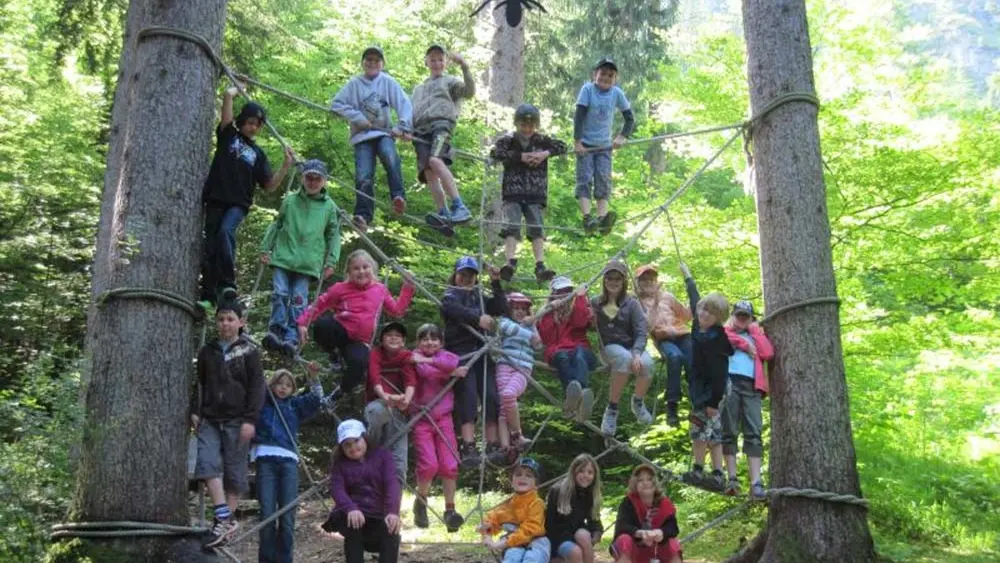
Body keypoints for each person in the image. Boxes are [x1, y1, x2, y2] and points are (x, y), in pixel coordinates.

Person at [200, 85, 294, 306]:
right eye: (250, 122)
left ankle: (228, 283)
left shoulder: (258, 154)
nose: (253, 127)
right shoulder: (228, 135)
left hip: (237, 204)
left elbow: (269, 185)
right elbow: (227, 106)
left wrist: (286, 165)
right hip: (215, 199)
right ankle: (208, 296)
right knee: (211, 246)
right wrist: (234, 91)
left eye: (257, 125)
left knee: (225, 232)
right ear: (242, 121)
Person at [190, 300, 265, 548]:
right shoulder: (207, 351)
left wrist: (250, 420)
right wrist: (195, 410)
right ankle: (224, 516)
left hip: (237, 420)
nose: (225, 323)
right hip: (210, 418)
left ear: (241, 323)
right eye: (221, 319)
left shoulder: (249, 352)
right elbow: (199, 383)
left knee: (234, 474)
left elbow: (256, 388)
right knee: (206, 463)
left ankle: (222, 526)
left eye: (231, 319)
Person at [296, 249, 414, 398]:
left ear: (373, 269)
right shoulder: (340, 288)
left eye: (365, 267)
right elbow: (319, 304)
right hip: (341, 332)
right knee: (322, 325)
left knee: (361, 363)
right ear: (349, 272)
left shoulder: (380, 289)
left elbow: (397, 311)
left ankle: (339, 392)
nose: (361, 271)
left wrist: (408, 287)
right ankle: (333, 355)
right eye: (356, 268)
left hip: (359, 341)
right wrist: (302, 322)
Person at [260, 159, 341, 359]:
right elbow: (277, 224)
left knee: (298, 300)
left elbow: (333, 234)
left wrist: (331, 260)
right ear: (302, 178)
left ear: (324, 182)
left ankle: (291, 336)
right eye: (309, 178)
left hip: (308, 262)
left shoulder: (329, 207)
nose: (313, 182)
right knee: (280, 293)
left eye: (317, 178)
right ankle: (276, 329)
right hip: (284, 256)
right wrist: (265, 248)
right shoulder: (290, 200)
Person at [331, 46, 413, 231]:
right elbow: (336, 105)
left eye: (376, 60)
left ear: (382, 64)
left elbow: (404, 104)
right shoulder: (354, 84)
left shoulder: (388, 82)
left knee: (390, 156)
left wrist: (402, 126)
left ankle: (398, 196)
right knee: (364, 175)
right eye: (368, 60)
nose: (372, 63)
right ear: (362, 63)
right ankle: (363, 215)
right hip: (362, 137)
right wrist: (358, 118)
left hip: (384, 133)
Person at [440, 256, 508, 468]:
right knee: (467, 397)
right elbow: (450, 309)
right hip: (462, 353)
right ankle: (468, 445)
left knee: (491, 396)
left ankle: (492, 444)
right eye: (462, 274)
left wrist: (496, 282)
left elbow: (500, 307)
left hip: (482, 350)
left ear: (476, 278)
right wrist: (476, 318)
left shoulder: (480, 296)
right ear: (456, 275)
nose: (466, 278)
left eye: (470, 275)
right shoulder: (451, 294)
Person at [253, 368, 325, 563]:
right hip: (266, 459)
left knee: (287, 516)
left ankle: (285, 560)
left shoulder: (295, 405)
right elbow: (253, 387)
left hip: (288, 462)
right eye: (279, 383)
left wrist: (313, 378)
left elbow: (317, 399)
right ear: (272, 384)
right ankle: (266, 560)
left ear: (293, 389)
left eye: (288, 385)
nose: (283, 388)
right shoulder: (262, 402)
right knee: (267, 514)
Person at [491, 104, 567, 284]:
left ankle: (540, 264)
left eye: (531, 124)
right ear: (517, 124)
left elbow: (562, 145)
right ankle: (510, 261)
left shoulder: (542, 140)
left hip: (535, 193)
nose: (527, 128)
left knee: (536, 227)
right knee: (512, 225)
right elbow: (496, 152)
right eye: (523, 124)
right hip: (513, 192)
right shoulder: (508, 140)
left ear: (536, 125)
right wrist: (520, 157)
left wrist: (544, 154)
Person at [411, 44, 476, 234]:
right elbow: (410, 112)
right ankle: (443, 214)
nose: (437, 63)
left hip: (441, 125)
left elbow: (469, 92)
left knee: (435, 160)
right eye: (433, 59)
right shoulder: (418, 89)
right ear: (426, 62)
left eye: (440, 59)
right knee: (429, 173)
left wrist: (465, 66)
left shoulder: (450, 82)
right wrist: (406, 129)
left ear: (446, 62)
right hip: (420, 131)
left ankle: (459, 206)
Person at [680, 262, 732, 492]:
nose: (703, 314)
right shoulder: (697, 325)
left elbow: (720, 374)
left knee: (712, 430)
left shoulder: (717, 339)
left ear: (718, 319)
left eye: (709, 313)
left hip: (714, 390)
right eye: (703, 310)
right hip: (699, 388)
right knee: (697, 429)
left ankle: (718, 474)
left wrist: (713, 402)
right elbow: (695, 300)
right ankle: (699, 469)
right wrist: (688, 277)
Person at [410, 323, 466, 532]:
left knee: (450, 465)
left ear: (441, 342)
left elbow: (453, 361)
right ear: (418, 342)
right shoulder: (413, 357)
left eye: (434, 338)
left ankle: (450, 510)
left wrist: (447, 368)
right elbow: (426, 373)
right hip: (422, 418)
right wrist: (450, 374)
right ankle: (421, 501)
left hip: (444, 419)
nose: (429, 342)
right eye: (424, 338)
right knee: (429, 465)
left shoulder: (446, 356)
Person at [322, 419, 402, 563]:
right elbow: (337, 489)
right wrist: (351, 508)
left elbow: (391, 483)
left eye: (356, 441)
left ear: (365, 437)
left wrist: (392, 511)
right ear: (342, 447)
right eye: (347, 444)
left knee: (392, 531)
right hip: (352, 513)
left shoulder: (383, 456)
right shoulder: (340, 464)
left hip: (377, 513)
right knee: (354, 525)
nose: (353, 447)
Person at [591, 260, 654, 437]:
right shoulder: (595, 302)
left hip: (632, 347)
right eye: (609, 278)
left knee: (647, 364)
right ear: (604, 280)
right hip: (608, 348)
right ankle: (612, 409)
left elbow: (641, 332)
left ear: (624, 280)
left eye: (617, 278)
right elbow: (581, 319)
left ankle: (638, 401)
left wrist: (636, 353)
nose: (613, 281)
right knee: (623, 359)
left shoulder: (632, 304)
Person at [573, 58, 635, 235]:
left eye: (610, 75)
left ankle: (602, 219)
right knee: (584, 179)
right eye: (603, 73)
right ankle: (587, 218)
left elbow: (630, 118)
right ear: (595, 74)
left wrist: (622, 137)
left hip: (605, 147)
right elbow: (579, 116)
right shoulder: (587, 90)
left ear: (615, 78)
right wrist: (577, 142)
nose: (606, 77)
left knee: (603, 179)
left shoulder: (617, 93)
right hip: (585, 144)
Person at [722, 301, 774, 500]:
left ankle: (756, 483)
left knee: (753, 431)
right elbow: (721, 336)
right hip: (730, 384)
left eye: (747, 316)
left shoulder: (755, 334)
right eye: (739, 315)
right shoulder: (725, 333)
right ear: (733, 316)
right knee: (729, 430)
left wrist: (755, 332)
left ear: (752, 318)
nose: (742, 319)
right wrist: (743, 343)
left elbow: (768, 353)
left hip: (752, 386)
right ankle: (732, 479)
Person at [635, 263, 692, 427]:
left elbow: (686, 316)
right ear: (638, 282)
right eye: (644, 279)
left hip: (682, 334)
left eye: (651, 279)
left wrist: (693, 297)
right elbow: (648, 326)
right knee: (675, 357)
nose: (648, 282)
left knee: (692, 362)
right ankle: (672, 406)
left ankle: (698, 401)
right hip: (663, 337)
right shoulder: (636, 302)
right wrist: (655, 303)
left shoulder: (668, 296)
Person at [538, 276, 596, 424]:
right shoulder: (547, 312)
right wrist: (550, 310)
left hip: (581, 349)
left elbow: (580, 322)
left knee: (579, 354)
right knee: (562, 356)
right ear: (553, 294)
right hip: (557, 351)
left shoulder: (579, 306)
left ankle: (578, 391)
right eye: (561, 291)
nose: (565, 294)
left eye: (568, 291)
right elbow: (546, 336)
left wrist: (581, 298)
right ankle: (579, 394)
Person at [365, 321, 415, 484]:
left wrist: (406, 401)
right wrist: (384, 396)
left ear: (403, 341)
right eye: (389, 335)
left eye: (398, 336)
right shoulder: (375, 353)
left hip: (399, 413)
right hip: (378, 405)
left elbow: (410, 380)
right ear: (382, 339)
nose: (394, 338)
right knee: (379, 412)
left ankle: (393, 508)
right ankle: (369, 448)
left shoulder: (407, 356)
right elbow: (374, 376)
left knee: (399, 466)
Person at [496, 292, 543, 456]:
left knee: (509, 394)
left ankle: (517, 435)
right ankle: (505, 448)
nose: (520, 312)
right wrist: (528, 333)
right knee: (503, 409)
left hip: (523, 368)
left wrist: (533, 325)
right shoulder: (505, 321)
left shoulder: (531, 325)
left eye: (523, 309)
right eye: (516, 308)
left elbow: (538, 345)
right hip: (505, 365)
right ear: (509, 310)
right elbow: (507, 329)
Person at [480, 457, 550, 563]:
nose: (523, 478)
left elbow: (530, 530)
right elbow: (492, 519)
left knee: (532, 559)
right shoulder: (508, 504)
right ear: (512, 480)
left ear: (536, 483)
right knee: (512, 558)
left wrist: (501, 544)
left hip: (536, 542)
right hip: (513, 544)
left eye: (529, 475)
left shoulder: (537, 503)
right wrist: (487, 530)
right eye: (518, 474)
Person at [610, 464, 682, 563]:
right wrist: (641, 533)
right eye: (640, 480)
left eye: (649, 479)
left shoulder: (665, 503)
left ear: (655, 482)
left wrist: (661, 532)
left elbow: (673, 528)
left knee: (673, 543)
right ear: (635, 484)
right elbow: (621, 526)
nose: (645, 483)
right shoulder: (628, 502)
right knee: (624, 540)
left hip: (657, 549)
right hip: (634, 549)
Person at [545, 454, 604, 563]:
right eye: (581, 471)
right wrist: (551, 553)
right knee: (576, 552)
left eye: (590, 472)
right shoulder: (558, 491)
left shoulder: (590, 494)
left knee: (583, 535)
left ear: (595, 475)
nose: (585, 475)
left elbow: (595, 521)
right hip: (559, 538)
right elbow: (549, 525)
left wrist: (596, 534)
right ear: (573, 472)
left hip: (577, 535)